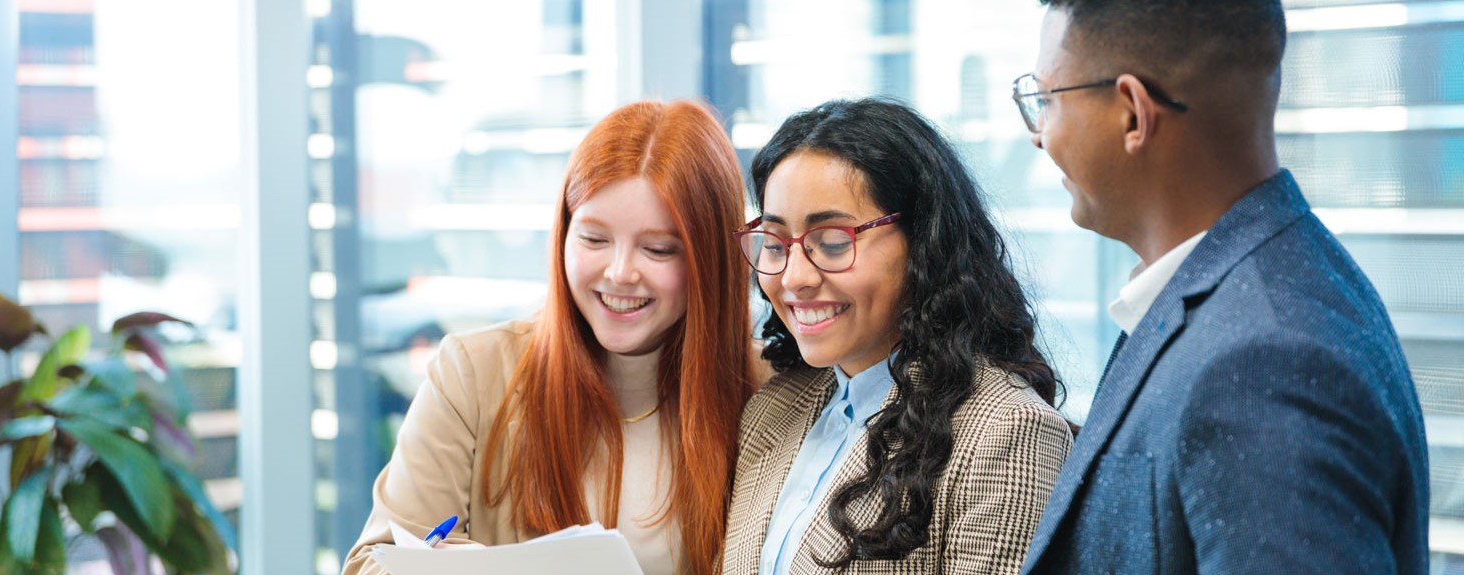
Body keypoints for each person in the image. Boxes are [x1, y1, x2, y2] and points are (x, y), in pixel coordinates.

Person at [1014, 2, 1429, 573]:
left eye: (1048, 99)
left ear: (1133, 113)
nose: (1039, 135)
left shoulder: (1266, 359)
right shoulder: (1251, 295)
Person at [341, 99, 755, 575]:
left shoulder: (775, 393)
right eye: (594, 240)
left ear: (712, 259)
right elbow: (370, 562)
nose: (619, 273)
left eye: (658, 249)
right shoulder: (473, 375)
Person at [720, 98, 1072, 575]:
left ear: (924, 242)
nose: (794, 277)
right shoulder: (774, 408)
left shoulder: (1005, 432)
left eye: (833, 241)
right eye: (777, 243)